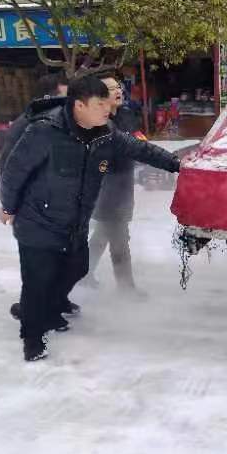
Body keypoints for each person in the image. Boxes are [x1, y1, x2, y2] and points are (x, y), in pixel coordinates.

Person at [0, 75, 180, 362]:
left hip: (74, 219)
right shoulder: (45, 131)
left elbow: (140, 149)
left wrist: (178, 164)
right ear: (79, 105)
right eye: (100, 105)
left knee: (78, 267)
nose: (107, 110)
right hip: (37, 219)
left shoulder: (105, 132)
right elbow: (13, 171)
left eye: (107, 104)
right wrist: (8, 207)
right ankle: (33, 341)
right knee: (37, 281)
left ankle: (51, 307)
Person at [85, 74, 144, 291]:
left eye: (118, 86)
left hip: (125, 183)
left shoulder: (127, 114)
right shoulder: (96, 122)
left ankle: (82, 273)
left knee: (102, 234)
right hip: (105, 186)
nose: (117, 91)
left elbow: (137, 140)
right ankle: (126, 287)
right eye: (111, 89)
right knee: (119, 237)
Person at [0, 72, 69, 171]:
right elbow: (8, 167)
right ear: (48, 98)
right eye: (64, 98)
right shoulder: (31, 124)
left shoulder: (58, 120)